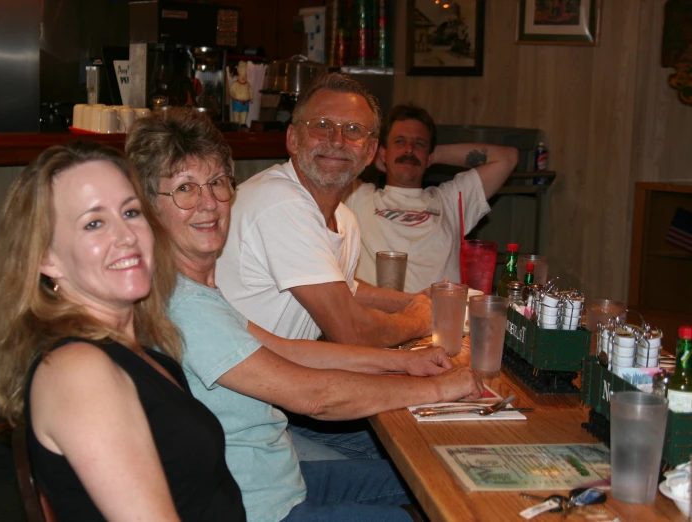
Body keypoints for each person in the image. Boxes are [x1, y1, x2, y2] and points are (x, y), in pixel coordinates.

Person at [125, 109, 484, 522]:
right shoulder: (182, 305)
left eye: (217, 183)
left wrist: (405, 362)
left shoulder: (192, 290)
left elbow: (288, 350)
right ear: (149, 208)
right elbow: (316, 398)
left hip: (282, 481)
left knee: (443, 476)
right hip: (256, 507)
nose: (209, 204)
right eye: (185, 189)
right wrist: (437, 390)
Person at [0, 141, 246, 522]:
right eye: (94, 223)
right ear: (46, 257)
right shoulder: (77, 372)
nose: (126, 236)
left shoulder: (145, 352)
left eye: (131, 212)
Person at [216, 73, 430, 348]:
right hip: (232, 387)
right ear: (293, 139)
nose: (337, 140)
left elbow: (345, 292)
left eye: (353, 130)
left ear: (370, 151)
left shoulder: (344, 219)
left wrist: (420, 301)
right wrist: (420, 320)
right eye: (322, 125)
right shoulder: (280, 203)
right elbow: (352, 331)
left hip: (281, 378)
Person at [344, 104, 519, 293]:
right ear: (383, 152)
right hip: (380, 316)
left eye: (419, 144)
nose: (409, 150)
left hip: (440, 317)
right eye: (400, 142)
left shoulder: (450, 199)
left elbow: (508, 158)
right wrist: (370, 156)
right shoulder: (356, 195)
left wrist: (435, 154)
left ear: (429, 157)